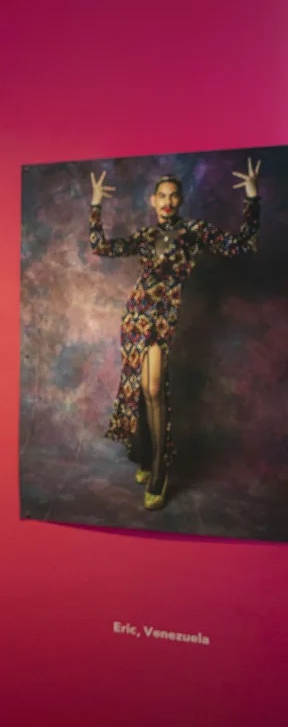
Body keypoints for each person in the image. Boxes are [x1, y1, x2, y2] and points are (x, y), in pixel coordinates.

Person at [89, 158, 261, 510]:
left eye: (173, 196)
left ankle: (160, 470)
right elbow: (101, 247)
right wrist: (95, 204)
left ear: (179, 201)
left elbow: (244, 244)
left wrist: (252, 196)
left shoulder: (194, 231)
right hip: (135, 318)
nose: (167, 201)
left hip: (163, 317)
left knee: (154, 389)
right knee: (139, 387)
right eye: (161, 196)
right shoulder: (146, 236)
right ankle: (146, 455)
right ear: (153, 202)